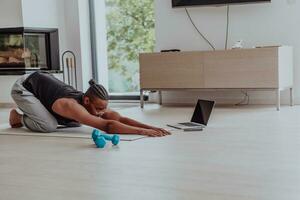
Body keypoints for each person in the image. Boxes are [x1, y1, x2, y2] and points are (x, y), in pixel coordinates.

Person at [9, 71, 170, 137]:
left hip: (43, 90)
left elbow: (119, 119)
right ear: (86, 100)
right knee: (49, 125)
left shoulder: (91, 102)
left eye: (104, 107)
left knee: (75, 123)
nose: (102, 112)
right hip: (24, 88)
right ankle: (17, 117)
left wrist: (152, 127)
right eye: (99, 108)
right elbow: (107, 126)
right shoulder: (72, 106)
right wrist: (142, 132)